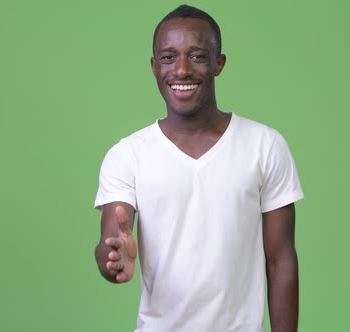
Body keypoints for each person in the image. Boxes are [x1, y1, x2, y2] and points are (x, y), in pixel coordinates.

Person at [94, 5, 304, 332]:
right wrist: (115, 258)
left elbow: (280, 260)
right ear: (153, 66)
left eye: (196, 56)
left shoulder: (265, 145)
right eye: (168, 57)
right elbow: (111, 240)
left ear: (219, 63)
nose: (181, 70)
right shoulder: (128, 155)